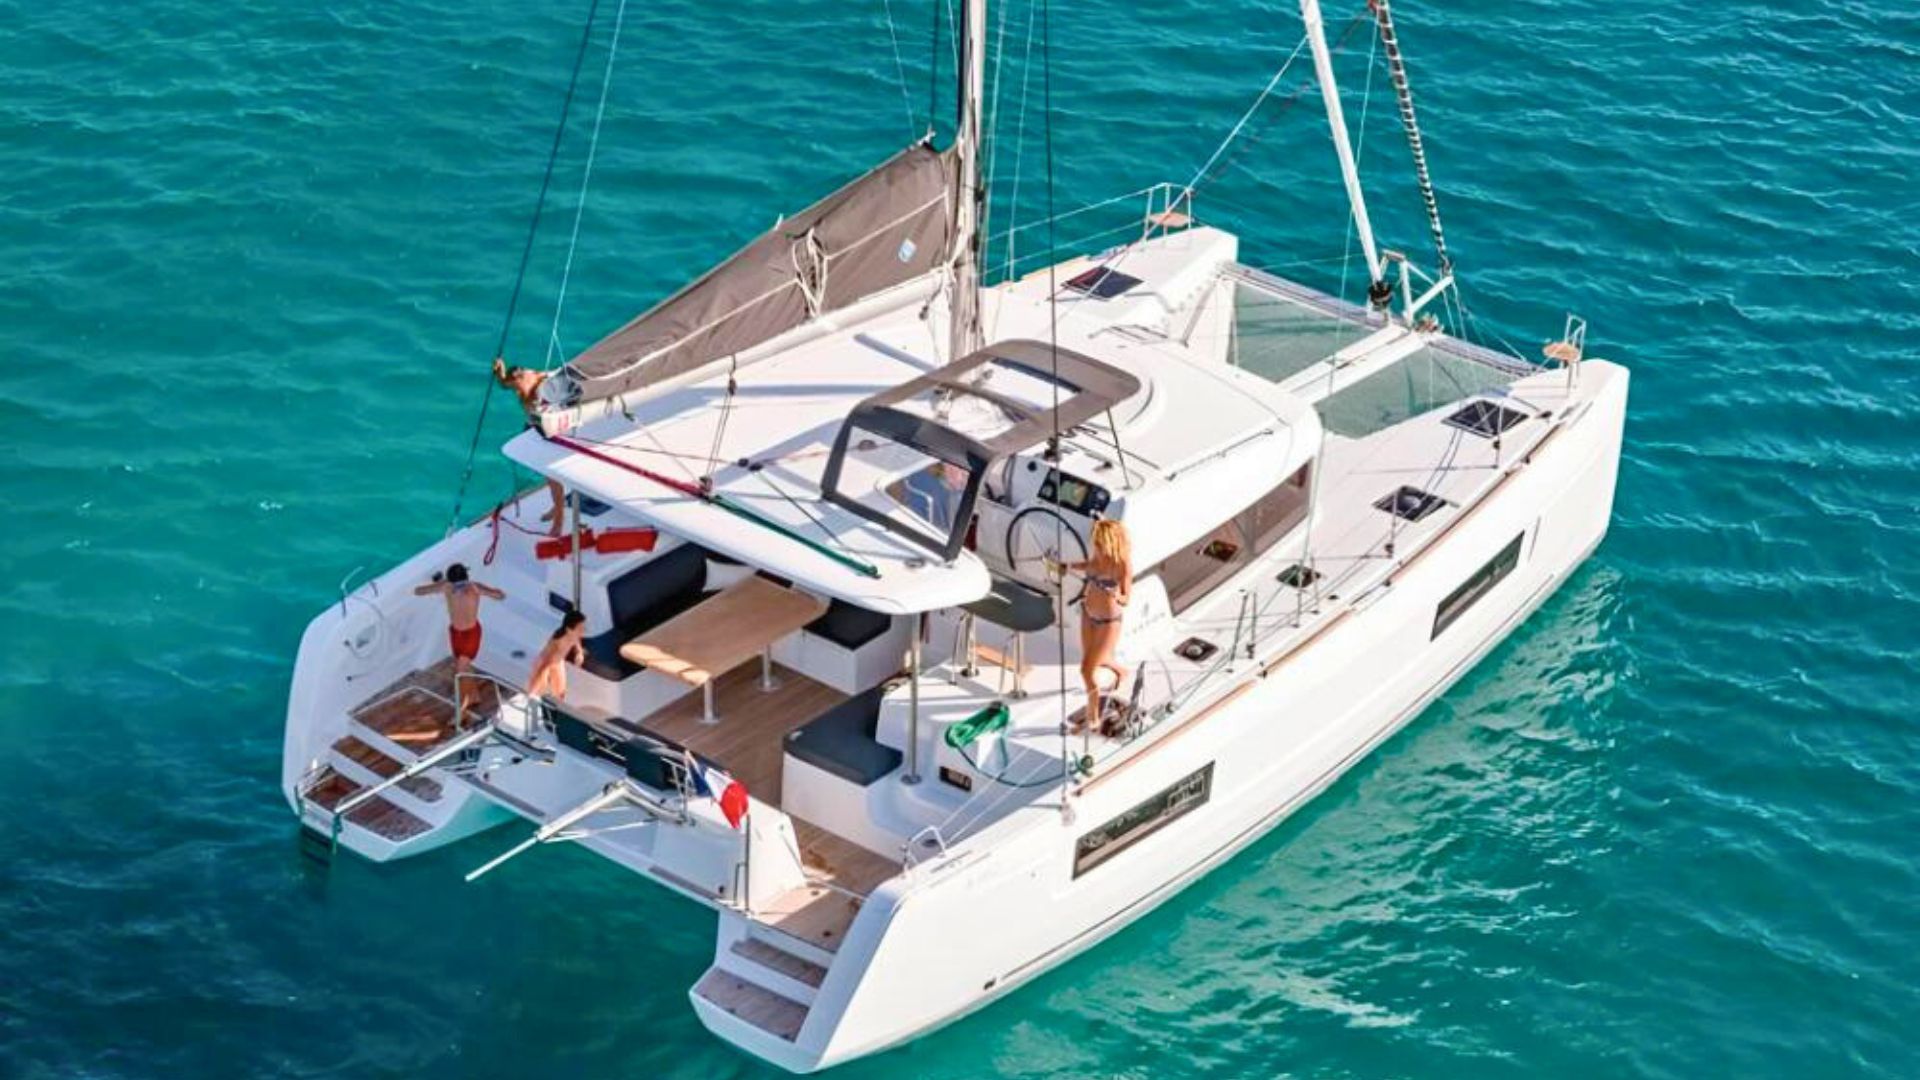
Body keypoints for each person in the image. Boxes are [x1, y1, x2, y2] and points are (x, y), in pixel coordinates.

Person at [1063, 517, 1132, 737]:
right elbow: (1088, 566)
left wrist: (1115, 594)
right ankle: (1121, 671)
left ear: (1111, 542)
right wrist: (1068, 566)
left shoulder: (1122, 564)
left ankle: (1092, 719)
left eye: (1101, 543)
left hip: (1108, 623)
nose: (1097, 547)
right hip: (1088, 613)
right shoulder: (1098, 557)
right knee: (1093, 658)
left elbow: (1126, 598)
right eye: (1096, 543)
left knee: (1086, 670)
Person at [414, 563, 505, 720]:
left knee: (460, 672)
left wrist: (490, 592)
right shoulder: (448, 587)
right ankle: (474, 695)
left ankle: (461, 711)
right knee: (465, 667)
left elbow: (499, 595)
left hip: (470, 635)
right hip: (455, 634)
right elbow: (418, 591)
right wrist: (439, 585)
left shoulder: (472, 588)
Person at [494, 358, 568, 536]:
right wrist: (500, 373)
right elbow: (505, 384)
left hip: (547, 428)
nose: (517, 391)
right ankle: (558, 506)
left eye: (518, 387)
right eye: (515, 388)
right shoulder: (516, 380)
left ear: (522, 379)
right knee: (546, 473)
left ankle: (559, 519)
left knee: (552, 476)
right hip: (532, 427)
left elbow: (558, 376)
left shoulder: (540, 384)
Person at [527, 610, 587, 703]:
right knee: (538, 689)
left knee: (560, 694)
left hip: (557, 662)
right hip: (545, 662)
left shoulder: (573, 633)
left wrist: (579, 652)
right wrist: (533, 690)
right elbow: (545, 664)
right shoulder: (559, 641)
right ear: (569, 629)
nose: (583, 630)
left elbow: (576, 640)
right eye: (580, 628)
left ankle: (556, 706)